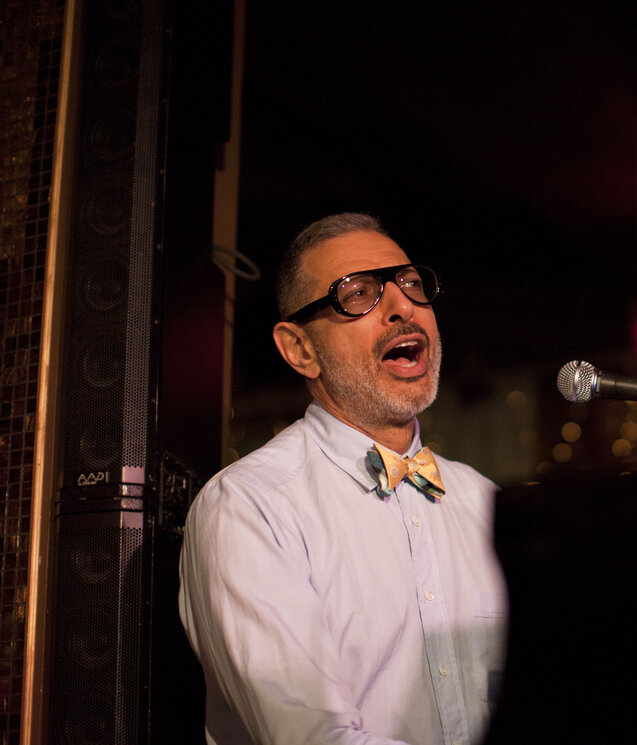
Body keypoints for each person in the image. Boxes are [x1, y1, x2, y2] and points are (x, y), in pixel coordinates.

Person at [179, 213, 508, 745]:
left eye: (411, 284)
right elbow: (313, 737)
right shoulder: (250, 507)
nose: (403, 306)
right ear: (300, 349)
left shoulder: (485, 501)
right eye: (358, 294)